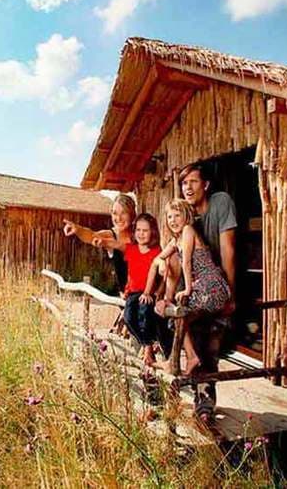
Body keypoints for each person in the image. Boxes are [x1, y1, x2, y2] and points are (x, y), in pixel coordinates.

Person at [160, 163, 237, 421]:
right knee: (190, 332)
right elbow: (172, 258)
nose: (188, 188)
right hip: (196, 288)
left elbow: (228, 250)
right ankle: (202, 402)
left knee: (212, 343)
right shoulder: (183, 217)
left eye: (194, 182)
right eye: (184, 184)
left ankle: (205, 403)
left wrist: (231, 293)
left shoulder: (220, 203)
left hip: (215, 284)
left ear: (205, 185)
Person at [148, 199, 230, 375]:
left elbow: (185, 262)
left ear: (185, 216)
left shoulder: (187, 231)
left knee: (176, 311)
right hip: (201, 285)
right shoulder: (175, 241)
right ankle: (190, 357)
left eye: (177, 215)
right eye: (170, 217)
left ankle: (184, 359)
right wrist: (161, 262)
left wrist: (187, 290)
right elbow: (157, 258)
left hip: (211, 284)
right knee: (176, 317)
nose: (173, 220)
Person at [92, 213, 162, 365]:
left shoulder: (157, 251)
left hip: (148, 293)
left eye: (145, 231)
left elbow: (163, 273)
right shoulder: (131, 249)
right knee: (129, 318)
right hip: (133, 292)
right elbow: (115, 244)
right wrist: (102, 241)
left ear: (153, 232)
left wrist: (155, 293)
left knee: (144, 315)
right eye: (138, 230)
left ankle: (149, 347)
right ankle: (146, 344)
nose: (141, 234)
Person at [62, 194, 136, 296]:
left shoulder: (139, 234)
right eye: (114, 213)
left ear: (131, 214)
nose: (118, 218)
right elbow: (92, 235)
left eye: (123, 213)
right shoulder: (110, 235)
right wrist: (78, 230)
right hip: (125, 297)